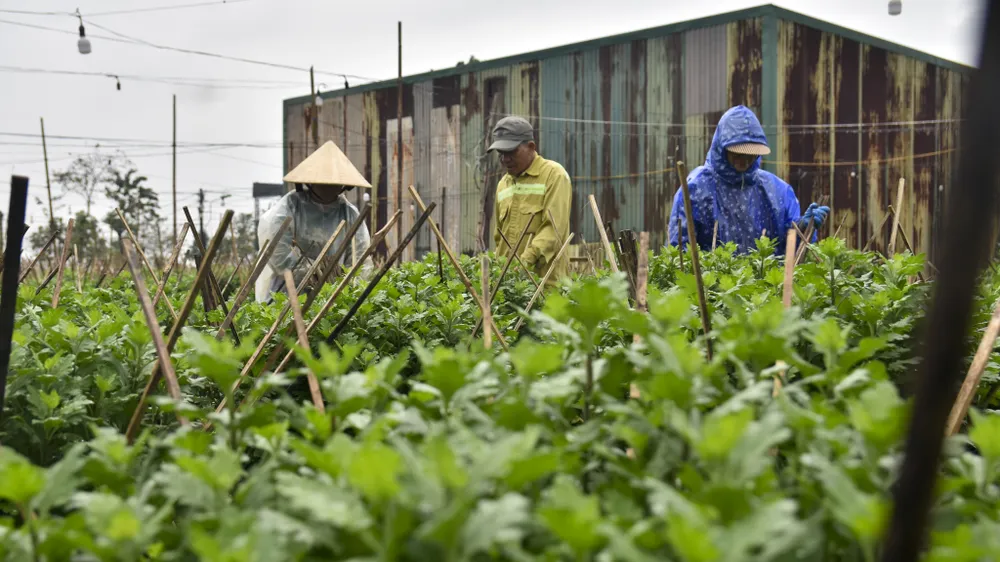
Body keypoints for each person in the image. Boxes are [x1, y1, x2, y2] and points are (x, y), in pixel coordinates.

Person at [668, 105, 829, 254]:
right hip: (710, 284)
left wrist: (802, 228)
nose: (744, 160)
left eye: (750, 154)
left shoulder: (776, 192)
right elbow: (681, 252)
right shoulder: (697, 190)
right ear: (721, 149)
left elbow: (789, 253)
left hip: (767, 284)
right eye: (737, 153)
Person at [255, 140, 373, 303]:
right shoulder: (289, 208)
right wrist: (313, 271)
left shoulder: (349, 213)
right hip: (284, 297)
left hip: (332, 299)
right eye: (324, 183)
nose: (329, 188)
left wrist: (346, 284)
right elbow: (278, 255)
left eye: (334, 183)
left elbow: (360, 260)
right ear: (311, 182)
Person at [488, 116, 572, 284]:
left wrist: (523, 262)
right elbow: (499, 238)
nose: (505, 160)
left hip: (544, 285)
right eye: (501, 154)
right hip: (509, 286)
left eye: (511, 152)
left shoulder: (553, 175)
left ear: (531, 146)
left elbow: (554, 230)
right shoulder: (503, 184)